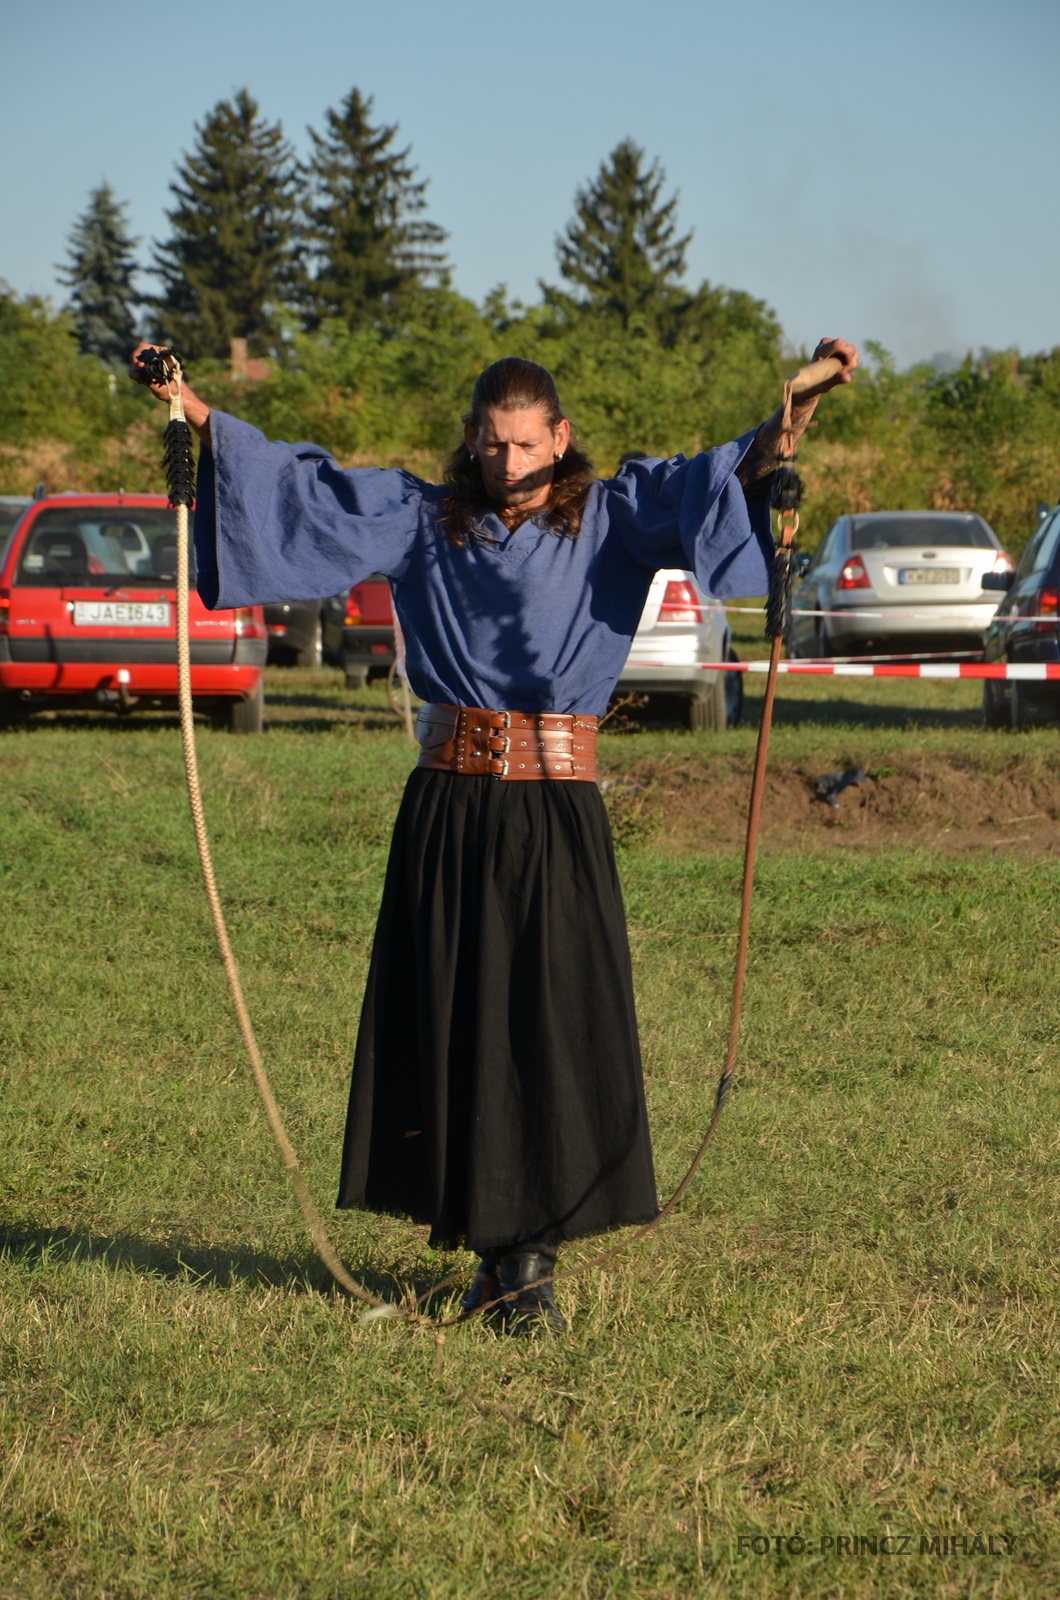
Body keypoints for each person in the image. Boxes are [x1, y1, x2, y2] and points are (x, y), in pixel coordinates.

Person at [130, 338, 858, 1334]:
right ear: (472, 440)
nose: (508, 463)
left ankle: (532, 1262)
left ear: (560, 438)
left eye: (525, 444)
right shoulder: (421, 517)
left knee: (548, 1025)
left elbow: (704, 482)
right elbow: (308, 492)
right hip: (449, 805)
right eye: (491, 444)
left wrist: (783, 425)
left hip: (556, 810)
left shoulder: (613, 517)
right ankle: (492, 1252)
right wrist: (196, 412)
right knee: (459, 1023)